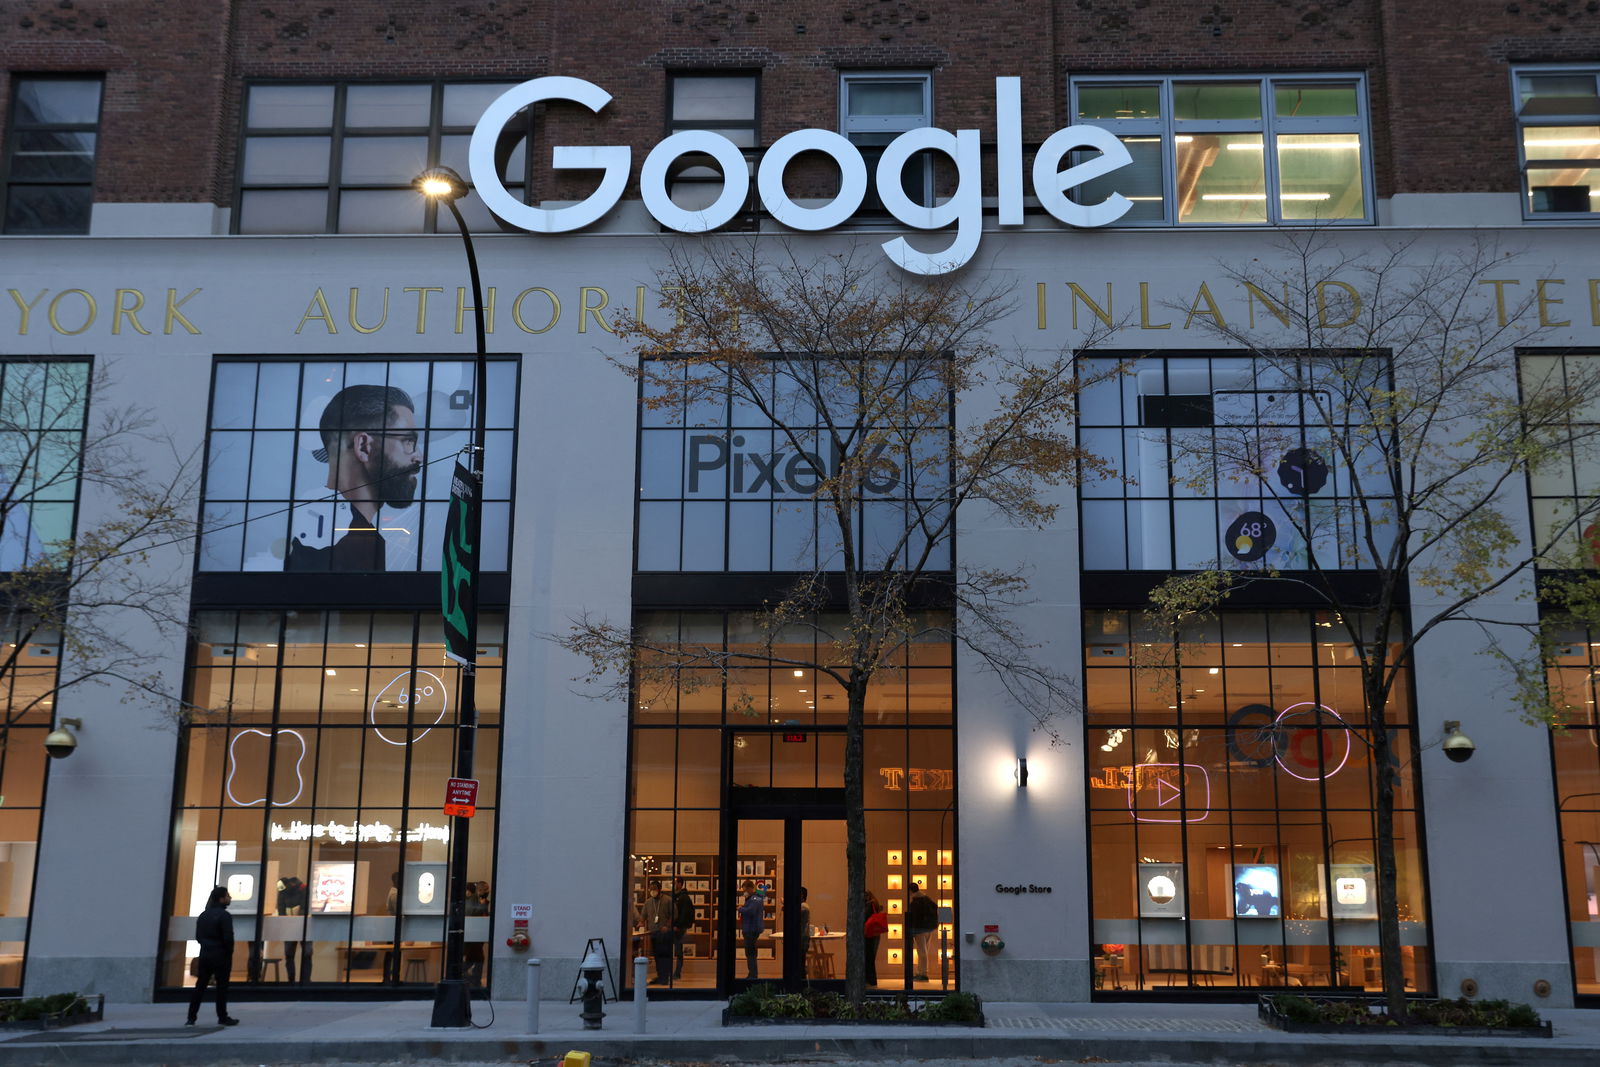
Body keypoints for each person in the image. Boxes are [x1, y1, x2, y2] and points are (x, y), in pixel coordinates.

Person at [286, 384, 422, 572]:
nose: (419, 456)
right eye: (408, 441)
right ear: (363, 446)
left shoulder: (318, 527)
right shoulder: (342, 540)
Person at [188, 886, 240, 1026]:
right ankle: (222, 1017)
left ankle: (191, 1017)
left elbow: (198, 937)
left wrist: (207, 946)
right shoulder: (225, 916)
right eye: (227, 896)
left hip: (205, 954)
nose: (230, 898)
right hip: (221, 955)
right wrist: (229, 952)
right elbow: (228, 938)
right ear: (222, 898)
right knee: (222, 987)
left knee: (200, 986)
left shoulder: (203, 915)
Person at [276, 875, 312, 983]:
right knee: (291, 954)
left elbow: (305, 907)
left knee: (306, 954)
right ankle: (294, 981)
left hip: (302, 925)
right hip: (292, 925)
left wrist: (290, 919)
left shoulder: (303, 889)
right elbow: (280, 907)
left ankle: (303, 981)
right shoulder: (284, 889)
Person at [641, 878, 673, 984]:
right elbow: (643, 916)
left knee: (665, 955)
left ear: (660, 889)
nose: (652, 891)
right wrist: (640, 923)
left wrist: (667, 926)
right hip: (654, 933)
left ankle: (665, 977)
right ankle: (660, 976)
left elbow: (674, 915)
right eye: (650, 889)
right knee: (657, 955)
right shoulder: (648, 902)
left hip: (665, 933)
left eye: (654, 889)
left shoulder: (668, 900)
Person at [907, 881, 937, 981]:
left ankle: (923, 973)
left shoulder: (915, 902)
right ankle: (921, 972)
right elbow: (935, 907)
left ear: (911, 891)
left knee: (922, 952)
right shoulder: (926, 899)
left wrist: (912, 931)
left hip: (919, 930)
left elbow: (914, 918)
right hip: (929, 928)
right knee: (924, 951)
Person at [736, 880, 764, 980]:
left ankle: (752, 975)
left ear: (751, 888)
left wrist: (740, 909)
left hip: (751, 929)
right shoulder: (754, 898)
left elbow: (750, 911)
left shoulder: (755, 898)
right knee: (750, 952)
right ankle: (752, 973)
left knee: (750, 952)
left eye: (745, 890)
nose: (744, 892)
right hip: (750, 928)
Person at [670, 876, 694, 980]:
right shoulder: (676, 896)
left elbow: (684, 913)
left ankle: (677, 972)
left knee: (678, 950)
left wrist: (678, 926)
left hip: (678, 928)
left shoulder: (683, 897)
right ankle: (674, 972)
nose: (673, 885)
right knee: (676, 949)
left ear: (680, 884)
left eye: (675, 883)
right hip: (675, 926)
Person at [863, 890, 888, 986]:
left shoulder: (869, 905)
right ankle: (872, 980)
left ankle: (870, 980)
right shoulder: (875, 903)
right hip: (875, 934)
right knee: (871, 958)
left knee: (869, 958)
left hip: (870, 934)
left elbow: (865, 917)